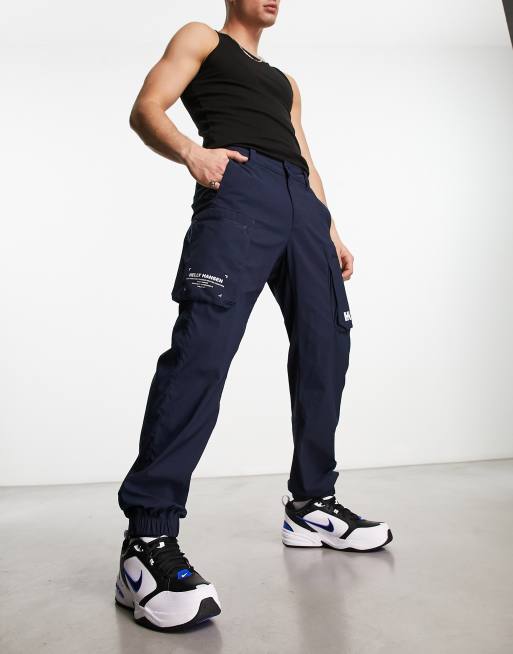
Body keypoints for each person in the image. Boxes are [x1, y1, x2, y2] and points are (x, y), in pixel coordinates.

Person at [114, 0, 393, 632]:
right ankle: (147, 540)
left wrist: (329, 229)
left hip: (301, 207)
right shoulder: (201, 38)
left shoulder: (286, 81)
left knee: (327, 350)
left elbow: (305, 157)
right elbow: (147, 108)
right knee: (202, 352)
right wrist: (192, 153)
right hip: (240, 192)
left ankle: (312, 504)